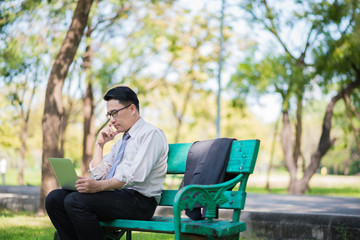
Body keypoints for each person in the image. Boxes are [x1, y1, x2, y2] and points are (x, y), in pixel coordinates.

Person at [45, 86, 168, 240]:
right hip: (117, 195)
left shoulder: (151, 134)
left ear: (132, 109)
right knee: (54, 198)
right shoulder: (122, 140)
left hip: (140, 202)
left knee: (75, 201)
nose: (112, 120)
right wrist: (100, 145)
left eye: (115, 113)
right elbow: (99, 175)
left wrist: (99, 187)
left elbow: (135, 176)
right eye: (109, 115)